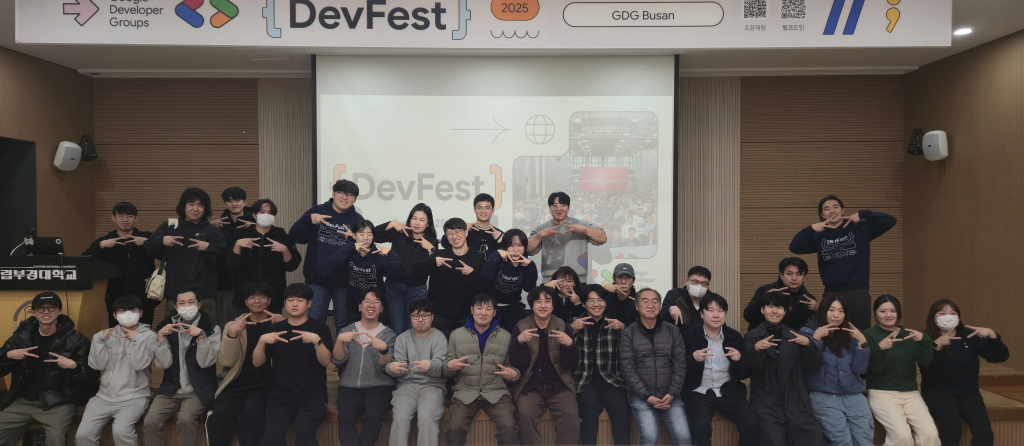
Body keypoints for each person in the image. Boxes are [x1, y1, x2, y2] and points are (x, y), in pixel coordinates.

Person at [789, 195, 897, 329]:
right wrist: (811, 228)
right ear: (822, 215)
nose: (832, 211)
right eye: (827, 209)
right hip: (831, 291)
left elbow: (890, 220)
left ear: (842, 210)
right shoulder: (819, 235)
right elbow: (794, 247)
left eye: (835, 207)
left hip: (858, 291)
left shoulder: (859, 228)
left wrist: (862, 214)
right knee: (831, 333)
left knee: (860, 332)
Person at [0, 292, 92, 446]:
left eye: (51, 308)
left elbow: (91, 375)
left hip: (58, 402)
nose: (46, 312)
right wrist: (8, 356)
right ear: (33, 312)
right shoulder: (20, 337)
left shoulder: (77, 340)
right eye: (41, 309)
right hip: (22, 401)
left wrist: (74, 366)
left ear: (60, 311)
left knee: (56, 438)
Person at [254, 283, 334, 446]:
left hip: (313, 397)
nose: (294, 304)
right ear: (284, 303)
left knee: (305, 434)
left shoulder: (319, 328)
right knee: (271, 438)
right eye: (290, 300)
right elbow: (257, 362)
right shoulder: (275, 329)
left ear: (309, 304)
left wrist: (316, 341)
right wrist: (261, 342)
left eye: (300, 300)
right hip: (280, 397)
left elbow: (325, 361)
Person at [920, 299, 1008, 446]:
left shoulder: (969, 335)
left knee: (984, 432)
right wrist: (935, 346)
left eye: (952, 313)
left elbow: (999, 357)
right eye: (942, 313)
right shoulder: (925, 337)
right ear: (933, 318)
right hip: (938, 391)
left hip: (969, 391)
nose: (948, 316)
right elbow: (927, 370)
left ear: (958, 316)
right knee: (952, 426)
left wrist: (992, 335)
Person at [206, 282, 284, 446]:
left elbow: (287, 358)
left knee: (253, 414)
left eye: (262, 297)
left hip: (265, 384)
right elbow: (227, 361)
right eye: (252, 297)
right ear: (246, 301)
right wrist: (232, 333)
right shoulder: (233, 325)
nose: (257, 301)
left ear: (269, 301)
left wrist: (284, 325)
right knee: (221, 413)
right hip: (237, 382)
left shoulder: (278, 324)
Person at [76, 295, 157, 446]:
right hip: (103, 397)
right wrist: (97, 340)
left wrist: (138, 339)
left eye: (133, 310)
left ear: (141, 313)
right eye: (121, 310)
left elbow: (140, 365)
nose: (127, 313)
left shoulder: (149, 336)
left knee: (121, 432)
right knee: (83, 435)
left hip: (134, 397)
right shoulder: (107, 335)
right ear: (114, 315)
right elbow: (97, 365)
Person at [745, 292, 823, 446]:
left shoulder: (795, 335)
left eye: (780, 307)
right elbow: (750, 370)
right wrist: (756, 350)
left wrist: (807, 345)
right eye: (771, 306)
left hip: (795, 398)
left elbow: (813, 365)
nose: (775, 311)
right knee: (774, 439)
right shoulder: (752, 337)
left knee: (812, 436)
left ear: (785, 311)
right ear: (762, 310)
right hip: (766, 399)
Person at [145, 291, 222, 446]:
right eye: (182, 303)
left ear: (199, 305)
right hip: (170, 389)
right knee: (150, 421)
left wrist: (201, 336)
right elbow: (163, 364)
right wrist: (160, 338)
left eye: (191, 302)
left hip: (198, 390)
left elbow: (206, 362)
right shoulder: (166, 328)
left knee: (186, 419)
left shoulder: (212, 329)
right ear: (176, 306)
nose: (187, 306)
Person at [443, 293, 521, 446]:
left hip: (497, 393)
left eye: (488, 309)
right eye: (479, 308)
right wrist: (449, 366)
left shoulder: (506, 336)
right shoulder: (456, 335)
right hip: (465, 393)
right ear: (472, 310)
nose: (483, 313)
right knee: (454, 428)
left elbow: (514, 368)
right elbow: (447, 370)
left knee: (509, 426)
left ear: (495, 312)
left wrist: (514, 374)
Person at [682, 294, 759, 446]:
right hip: (700, 392)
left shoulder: (734, 336)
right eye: (710, 310)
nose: (716, 315)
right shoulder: (689, 336)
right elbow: (679, 370)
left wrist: (739, 360)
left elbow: (744, 374)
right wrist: (692, 358)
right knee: (701, 426)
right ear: (702, 313)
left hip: (730, 392)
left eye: (721, 310)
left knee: (752, 424)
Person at [289, 179, 364, 334]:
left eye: (350, 195)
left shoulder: (357, 219)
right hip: (317, 280)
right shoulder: (318, 210)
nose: (344, 197)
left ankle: (341, 357)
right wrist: (309, 219)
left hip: (344, 282)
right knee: (315, 319)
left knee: (343, 322)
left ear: (355, 199)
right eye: (340, 193)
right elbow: (295, 236)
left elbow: (362, 251)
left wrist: (354, 239)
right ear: (333, 194)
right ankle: (316, 356)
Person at [863, 295, 939, 446]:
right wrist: (881, 349)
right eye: (883, 311)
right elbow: (870, 369)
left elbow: (926, 361)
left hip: (911, 393)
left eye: (893, 311)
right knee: (902, 436)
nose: (888, 315)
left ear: (898, 313)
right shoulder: (868, 334)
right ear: (876, 314)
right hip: (881, 393)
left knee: (930, 435)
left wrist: (924, 341)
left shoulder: (909, 334)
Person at [798, 293, 873, 446]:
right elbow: (807, 364)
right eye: (831, 310)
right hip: (824, 394)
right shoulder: (808, 332)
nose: (836, 315)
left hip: (853, 394)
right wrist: (816, 340)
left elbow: (860, 369)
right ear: (823, 311)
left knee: (865, 441)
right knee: (842, 441)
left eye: (841, 311)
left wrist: (862, 345)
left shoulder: (851, 333)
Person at [510, 286, 581, 446]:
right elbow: (518, 365)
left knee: (571, 416)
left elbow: (569, 365)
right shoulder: (520, 326)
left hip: (559, 386)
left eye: (547, 301)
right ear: (532, 305)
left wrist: (569, 345)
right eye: (538, 301)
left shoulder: (563, 326)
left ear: (553, 305)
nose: (543, 305)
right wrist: (519, 342)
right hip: (530, 387)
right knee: (525, 416)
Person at [620, 288, 691, 446]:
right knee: (650, 438)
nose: (650, 305)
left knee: (684, 437)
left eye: (655, 301)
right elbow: (627, 368)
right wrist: (647, 397)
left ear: (660, 307)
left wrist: (672, 393)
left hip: (671, 396)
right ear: (637, 306)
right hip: (643, 397)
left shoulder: (673, 331)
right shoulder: (628, 333)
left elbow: (680, 364)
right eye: (645, 301)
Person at [147, 188, 227, 322]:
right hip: (175, 294)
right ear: (183, 206)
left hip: (204, 295)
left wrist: (209, 247)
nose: (195, 209)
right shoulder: (170, 226)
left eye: (200, 205)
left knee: (207, 335)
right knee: (171, 334)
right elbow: (149, 249)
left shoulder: (212, 231)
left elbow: (223, 260)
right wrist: (162, 240)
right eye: (191, 204)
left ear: (205, 208)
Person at [333, 288, 397, 446]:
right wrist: (340, 341)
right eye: (367, 301)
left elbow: (386, 368)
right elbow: (338, 361)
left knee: (374, 415)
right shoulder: (347, 331)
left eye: (376, 302)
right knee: (345, 417)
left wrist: (384, 350)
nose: (371, 305)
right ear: (360, 306)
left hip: (379, 387)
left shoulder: (389, 335)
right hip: (349, 386)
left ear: (382, 308)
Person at [570, 285, 629, 446]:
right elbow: (560, 350)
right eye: (591, 300)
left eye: (600, 300)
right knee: (589, 408)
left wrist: (624, 329)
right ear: (583, 304)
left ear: (606, 303)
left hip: (611, 380)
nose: (596, 304)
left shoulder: (614, 324)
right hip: (584, 381)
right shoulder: (574, 325)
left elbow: (632, 349)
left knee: (621, 408)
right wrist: (571, 330)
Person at [82, 201, 158, 327]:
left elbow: (165, 253)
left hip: (144, 297)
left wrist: (147, 243)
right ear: (113, 218)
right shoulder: (105, 240)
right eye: (121, 216)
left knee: (145, 334)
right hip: (115, 297)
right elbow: (84, 260)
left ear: (136, 219)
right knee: (116, 333)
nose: (125, 219)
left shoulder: (147, 237)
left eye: (130, 216)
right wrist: (101, 246)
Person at [386, 299, 447, 446]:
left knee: (427, 418)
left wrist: (430, 365)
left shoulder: (439, 337)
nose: (420, 320)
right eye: (415, 316)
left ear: (432, 317)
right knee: (400, 418)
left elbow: (441, 367)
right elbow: (397, 368)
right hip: (406, 386)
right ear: (410, 317)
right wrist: (391, 368)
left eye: (425, 315)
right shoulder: (402, 338)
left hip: (432, 385)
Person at [226, 198, 302, 314]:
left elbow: (292, 266)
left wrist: (285, 250)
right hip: (246, 293)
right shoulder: (242, 235)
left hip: (273, 294)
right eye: (262, 212)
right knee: (245, 329)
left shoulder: (282, 236)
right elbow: (231, 266)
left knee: (272, 329)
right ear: (254, 215)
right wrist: (237, 245)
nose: (266, 215)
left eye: (270, 213)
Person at [375, 203, 438, 334]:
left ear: (428, 223)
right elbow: (372, 235)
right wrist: (390, 223)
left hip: (417, 290)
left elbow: (435, 268)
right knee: (397, 329)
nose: (417, 223)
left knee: (413, 330)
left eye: (422, 220)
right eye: (414, 218)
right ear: (409, 219)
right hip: (394, 289)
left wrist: (431, 249)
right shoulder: (399, 233)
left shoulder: (432, 241)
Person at [334, 220, 403, 327]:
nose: (365, 238)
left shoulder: (379, 255)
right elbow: (334, 264)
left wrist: (391, 254)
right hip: (354, 307)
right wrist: (350, 247)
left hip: (376, 308)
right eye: (361, 234)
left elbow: (397, 275)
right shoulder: (349, 253)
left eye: (369, 234)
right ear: (354, 235)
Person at [527, 191, 607, 282]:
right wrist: (539, 236)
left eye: (563, 205)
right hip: (550, 281)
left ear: (568, 208)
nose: (559, 209)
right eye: (555, 206)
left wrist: (583, 230)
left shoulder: (580, 225)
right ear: (549, 208)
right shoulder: (542, 229)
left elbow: (603, 238)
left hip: (578, 280)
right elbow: (528, 250)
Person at [427, 218, 485, 338]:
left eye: (458, 232)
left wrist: (473, 273)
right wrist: (431, 260)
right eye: (450, 233)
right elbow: (417, 271)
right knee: (442, 351)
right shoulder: (439, 256)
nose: (454, 236)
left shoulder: (477, 257)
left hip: (466, 315)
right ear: (446, 237)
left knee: (465, 351)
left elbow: (483, 289)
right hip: (440, 316)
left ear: (466, 233)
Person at [211, 187, 256, 334]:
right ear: (225, 204)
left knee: (251, 326)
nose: (234, 204)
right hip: (225, 283)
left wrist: (258, 227)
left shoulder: (255, 224)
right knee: (227, 324)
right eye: (229, 201)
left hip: (250, 282)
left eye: (237, 200)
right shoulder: (219, 225)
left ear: (245, 202)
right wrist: (209, 228)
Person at [481, 229, 538, 333]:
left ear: (525, 247)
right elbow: (486, 277)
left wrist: (530, 267)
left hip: (514, 306)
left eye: (520, 245)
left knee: (518, 336)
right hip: (492, 307)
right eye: (511, 245)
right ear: (505, 247)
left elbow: (528, 288)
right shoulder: (497, 257)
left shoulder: (528, 263)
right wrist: (496, 256)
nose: (516, 250)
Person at [744, 257, 818, 332]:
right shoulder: (765, 291)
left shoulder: (809, 299)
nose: (794, 278)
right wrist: (765, 297)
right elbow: (748, 317)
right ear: (781, 275)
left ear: (804, 277)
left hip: (793, 341)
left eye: (799, 274)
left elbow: (812, 328)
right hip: (762, 339)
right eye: (789, 274)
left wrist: (819, 310)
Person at [662, 266, 722, 332]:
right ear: (687, 281)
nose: (699, 286)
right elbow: (660, 317)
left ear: (708, 285)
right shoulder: (674, 294)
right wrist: (670, 310)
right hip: (678, 339)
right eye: (695, 282)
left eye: (704, 283)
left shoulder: (714, 300)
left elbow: (720, 325)